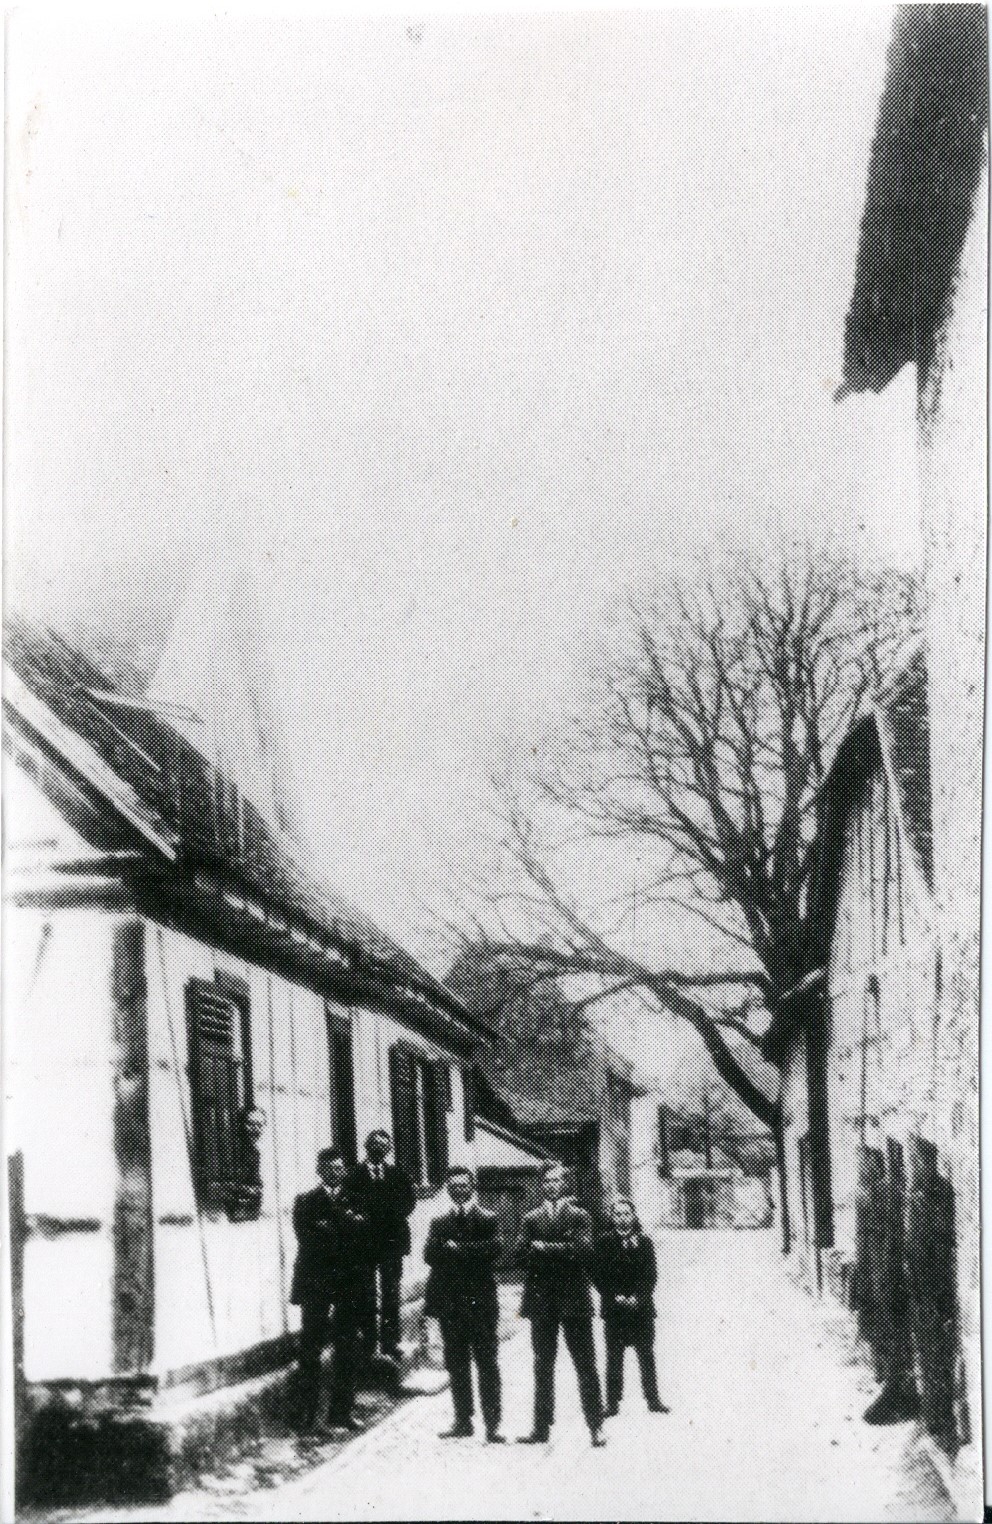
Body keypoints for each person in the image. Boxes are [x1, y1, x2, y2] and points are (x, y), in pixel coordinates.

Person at [516, 1161, 605, 1447]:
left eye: (557, 1180)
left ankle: (596, 1426)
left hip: (574, 1301)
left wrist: (543, 1248)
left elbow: (584, 1251)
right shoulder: (530, 1218)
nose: (552, 1185)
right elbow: (518, 1255)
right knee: (543, 1365)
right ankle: (541, 1428)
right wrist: (559, 1249)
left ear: (564, 1183)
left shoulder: (580, 1216)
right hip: (541, 1303)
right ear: (541, 1185)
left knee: (585, 1364)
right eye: (547, 1181)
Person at [423, 1165, 505, 1443]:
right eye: (453, 1185)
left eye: (463, 1185)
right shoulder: (439, 1222)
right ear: (448, 1189)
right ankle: (462, 1420)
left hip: (481, 1304)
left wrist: (458, 1250)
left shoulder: (488, 1219)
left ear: (473, 1187)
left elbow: (495, 1250)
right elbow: (429, 1255)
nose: (458, 1189)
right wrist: (466, 1252)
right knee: (456, 1364)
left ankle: (492, 1423)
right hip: (451, 1305)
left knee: (487, 1363)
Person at [289, 1147, 366, 1435]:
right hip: (315, 1283)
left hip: (348, 1282)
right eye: (331, 1168)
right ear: (320, 1171)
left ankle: (341, 1412)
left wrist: (332, 1226)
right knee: (311, 1346)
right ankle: (307, 1416)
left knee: (348, 1345)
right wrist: (345, 1225)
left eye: (340, 1168)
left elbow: (363, 1237)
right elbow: (308, 1239)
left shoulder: (355, 1200)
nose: (337, 1173)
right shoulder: (306, 1201)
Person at [593, 1197, 670, 1417]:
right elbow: (599, 1275)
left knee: (646, 1354)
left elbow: (651, 1275)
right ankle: (612, 1403)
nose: (622, 1218)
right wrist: (613, 1296)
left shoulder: (644, 1242)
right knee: (614, 1357)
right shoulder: (604, 1243)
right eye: (618, 1214)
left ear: (633, 1216)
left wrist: (638, 1297)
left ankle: (653, 1400)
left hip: (641, 1310)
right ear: (612, 1217)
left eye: (626, 1213)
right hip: (614, 1310)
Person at [348, 1129, 417, 1361]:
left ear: (389, 1150)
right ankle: (368, 1344)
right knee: (366, 1294)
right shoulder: (354, 1175)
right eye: (375, 1145)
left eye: (385, 1146)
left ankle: (390, 1343)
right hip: (363, 1245)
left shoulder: (397, 1175)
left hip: (392, 1243)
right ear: (367, 1147)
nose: (380, 1150)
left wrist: (389, 1216)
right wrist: (361, 1217)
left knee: (391, 1293)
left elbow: (408, 1202)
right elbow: (348, 1203)